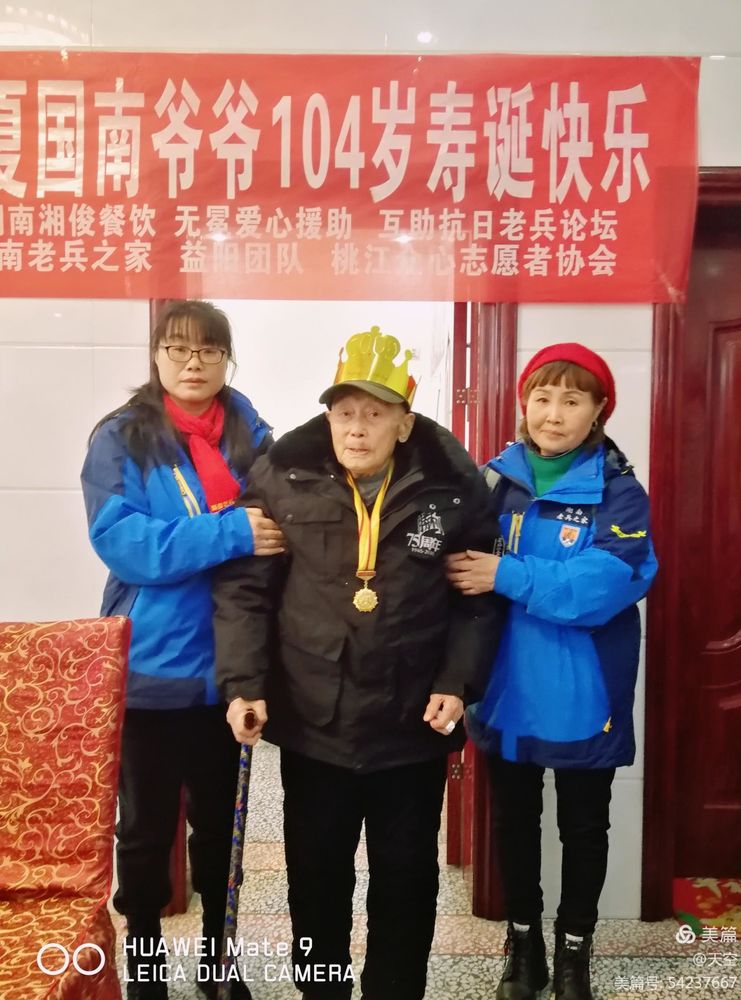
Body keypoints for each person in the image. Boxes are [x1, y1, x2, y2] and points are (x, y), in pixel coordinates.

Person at [212, 327, 502, 1000]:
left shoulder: (453, 487)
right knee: (316, 879)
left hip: (413, 721)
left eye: (375, 412)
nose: (357, 427)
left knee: (406, 878)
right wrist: (244, 684)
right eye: (344, 411)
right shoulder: (285, 476)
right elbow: (246, 590)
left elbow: (477, 599)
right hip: (317, 719)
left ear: (405, 421)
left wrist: (457, 683)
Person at [81, 299, 284, 1000]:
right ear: (157, 355)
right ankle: (144, 966)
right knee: (142, 833)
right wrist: (231, 533)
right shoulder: (121, 437)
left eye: (208, 350)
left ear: (227, 359)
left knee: (221, 832)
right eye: (178, 348)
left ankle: (218, 964)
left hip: (230, 671)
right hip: (149, 667)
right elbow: (125, 544)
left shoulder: (256, 439)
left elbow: (281, 534)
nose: (193, 362)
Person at [446, 343, 658, 1000]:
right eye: (542, 397)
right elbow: (453, 569)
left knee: (584, 827)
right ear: (524, 404)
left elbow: (605, 584)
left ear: (598, 411)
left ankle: (574, 952)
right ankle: (524, 947)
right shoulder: (489, 484)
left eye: (572, 399)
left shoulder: (619, 493)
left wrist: (506, 574)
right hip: (503, 691)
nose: (554, 414)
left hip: (582, 696)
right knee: (513, 825)